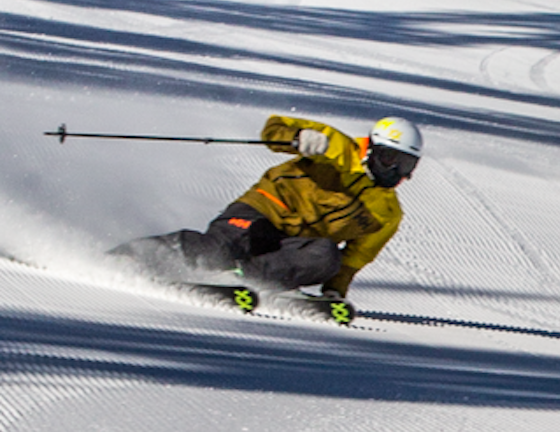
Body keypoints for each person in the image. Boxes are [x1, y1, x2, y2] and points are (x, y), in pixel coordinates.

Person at [113, 114, 423, 301]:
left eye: (405, 165)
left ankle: (241, 276)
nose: (394, 172)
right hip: (261, 212)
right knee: (222, 246)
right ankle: (141, 254)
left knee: (326, 256)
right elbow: (273, 129)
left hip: (291, 245)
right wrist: (299, 137)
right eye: (389, 160)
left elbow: (353, 259)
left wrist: (334, 293)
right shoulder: (337, 147)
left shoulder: (386, 213)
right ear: (372, 149)